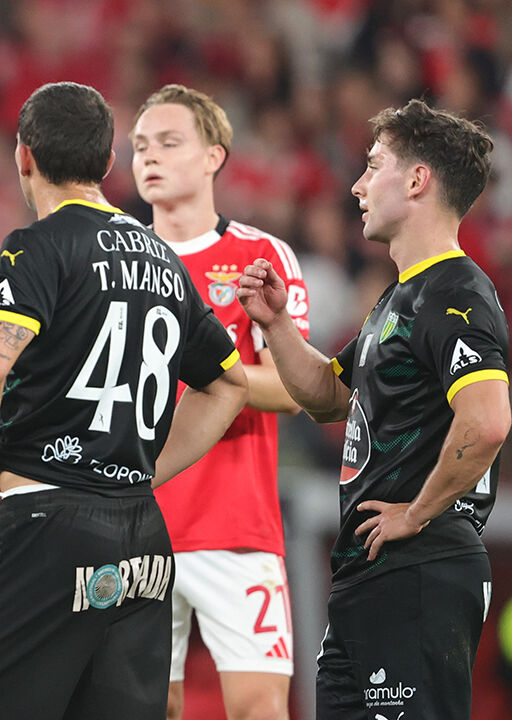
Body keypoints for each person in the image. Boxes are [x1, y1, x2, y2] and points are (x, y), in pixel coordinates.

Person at [0, 81, 249, 720]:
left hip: (48, 522)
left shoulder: (36, 246)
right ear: (109, 163)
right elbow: (227, 384)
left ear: (24, 157)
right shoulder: (166, 260)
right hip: (144, 536)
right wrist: (143, 469)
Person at [238, 98, 510, 720]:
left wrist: (416, 513)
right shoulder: (399, 299)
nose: (357, 184)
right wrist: (277, 327)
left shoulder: (456, 291)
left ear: (417, 181)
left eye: (374, 165)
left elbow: (489, 419)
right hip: (372, 571)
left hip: (422, 563)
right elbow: (331, 396)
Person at [130, 84, 308, 720]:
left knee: (261, 710)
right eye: (140, 146)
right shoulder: (114, 258)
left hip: (236, 525)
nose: (149, 157)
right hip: (136, 525)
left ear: (214, 156)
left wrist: (209, 374)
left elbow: (293, 388)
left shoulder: (260, 258)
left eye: (169, 143)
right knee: (150, 707)